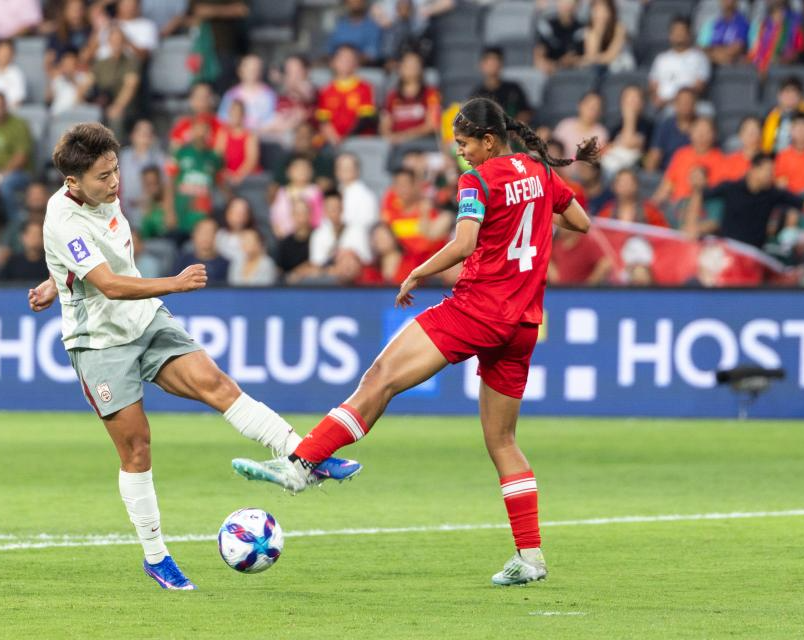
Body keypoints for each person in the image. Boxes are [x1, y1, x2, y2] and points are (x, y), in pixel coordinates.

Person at [231, 97, 598, 587]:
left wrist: (417, 272)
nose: (460, 152)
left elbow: (464, 244)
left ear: (489, 141)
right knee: (503, 441)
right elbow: (581, 223)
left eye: (465, 143)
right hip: (523, 323)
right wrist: (530, 218)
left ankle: (302, 464)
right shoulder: (540, 172)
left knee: (381, 378)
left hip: (477, 309)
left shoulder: (478, 180)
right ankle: (530, 557)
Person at [25, 122, 359, 591]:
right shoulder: (63, 218)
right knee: (137, 447)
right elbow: (110, 284)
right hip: (100, 343)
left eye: (116, 169)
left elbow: (93, 260)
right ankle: (156, 557)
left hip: (144, 320)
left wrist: (55, 280)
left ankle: (305, 456)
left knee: (218, 385)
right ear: (72, 182)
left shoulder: (103, 194)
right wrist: (175, 283)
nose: (115, 181)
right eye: (103, 176)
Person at [684, 152, 804, 249]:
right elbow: (699, 195)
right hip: (730, 250)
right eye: (767, 170)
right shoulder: (730, 187)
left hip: (755, 253)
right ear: (753, 170)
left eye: (772, 171)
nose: (771, 175)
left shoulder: (772, 193)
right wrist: (692, 224)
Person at [0, 92, 33, 223]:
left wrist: (2, 174)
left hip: (19, 172)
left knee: (6, 184)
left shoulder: (19, 125)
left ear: (6, 106)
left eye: (1, 106)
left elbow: (22, 157)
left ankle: (14, 224)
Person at [165, 119, 223, 237]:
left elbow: (221, 185)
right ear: (191, 131)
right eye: (198, 129)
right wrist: (169, 212)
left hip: (203, 217)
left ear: (209, 133)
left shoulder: (214, 158)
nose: (201, 133)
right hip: (181, 214)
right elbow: (169, 184)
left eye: (204, 130)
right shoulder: (180, 153)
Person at [316, 45, 378, 145]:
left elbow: (365, 119)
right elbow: (323, 120)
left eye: (349, 59)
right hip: (332, 141)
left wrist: (346, 139)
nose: (345, 62)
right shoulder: (325, 90)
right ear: (333, 62)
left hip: (359, 140)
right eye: (342, 58)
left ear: (356, 63)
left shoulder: (365, 88)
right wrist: (334, 138)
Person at [90, 25, 142, 140]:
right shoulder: (101, 63)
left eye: (119, 40)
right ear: (108, 42)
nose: (116, 43)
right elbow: (88, 82)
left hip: (125, 106)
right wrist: (77, 100)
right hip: (102, 103)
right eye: (113, 40)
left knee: (116, 117)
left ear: (124, 42)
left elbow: (130, 86)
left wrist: (118, 106)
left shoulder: (132, 62)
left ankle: (115, 150)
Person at [380, 50, 440, 146]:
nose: (411, 68)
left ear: (421, 68)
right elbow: (385, 126)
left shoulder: (431, 94)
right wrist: (391, 137)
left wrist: (405, 137)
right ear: (400, 68)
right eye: (407, 65)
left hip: (423, 143)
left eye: (414, 65)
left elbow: (432, 125)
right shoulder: (392, 96)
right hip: (396, 145)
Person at [649, 15, 711, 108]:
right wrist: (657, 99)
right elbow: (653, 84)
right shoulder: (661, 59)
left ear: (689, 34)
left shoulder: (699, 58)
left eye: (681, 30)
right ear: (670, 35)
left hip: (689, 106)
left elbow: (699, 86)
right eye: (675, 31)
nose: (678, 34)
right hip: (662, 107)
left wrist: (676, 100)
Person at [118, 119, 167, 224]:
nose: (145, 135)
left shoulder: (160, 159)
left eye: (149, 133)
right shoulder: (123, 156)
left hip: (151, 213)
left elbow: (165, 187)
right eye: (141, 132)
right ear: (132, 135)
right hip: (123, 211)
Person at [471, 47, 532, 124]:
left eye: (496, 61)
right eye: (489, 62)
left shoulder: (514, 89)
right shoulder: (476, 95)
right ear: (482, 65)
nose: (493, 65)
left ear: (501, 63)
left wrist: (513, 126)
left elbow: (526, 113)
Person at [600, 84, 651, 176]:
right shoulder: (615, 126)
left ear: (642, 103)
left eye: (635, 98)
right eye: (628, 98)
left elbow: (629, 143)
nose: (631, 102)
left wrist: (630, 118)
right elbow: (607, 148)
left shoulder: (647, 126)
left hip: (633, 169)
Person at [218, 54, 277, 132]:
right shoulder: (231, 95)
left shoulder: (269, 95)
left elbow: (273, 122)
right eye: (249, 68)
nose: (252, 72)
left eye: (255, 68)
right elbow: (222, 120)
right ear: (240, 71)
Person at [644, 87, 696, 173]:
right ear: (675, 104)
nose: (685, 105)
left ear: (694, 104)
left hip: (692, 173)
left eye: (688, 102)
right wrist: (649, 172)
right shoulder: (665, 125)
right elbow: (655, 153)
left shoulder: (701, 126)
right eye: (682, 102)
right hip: (667, 173)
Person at [270, 156, 324, 239]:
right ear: (288, 171)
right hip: (285, 237)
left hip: (310, 237)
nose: (301, 172)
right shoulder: (282, 192)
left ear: (311, 171)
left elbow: (319, 216)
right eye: (297, 168)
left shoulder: (315, 191)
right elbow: (275, 216)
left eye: (304, 168)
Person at [748, 0, 802, 77]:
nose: (779, 16)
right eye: (776, 14)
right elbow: (756, 52)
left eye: (782, 13)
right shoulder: (762, 28)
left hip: (784, 70)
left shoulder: (792, 27)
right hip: (762, 69)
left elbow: (797, 52)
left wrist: (782, 59)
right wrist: (763, 64)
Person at [761, 76, 804, 154]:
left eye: (794, 93)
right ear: (779, 95)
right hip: (772, 156)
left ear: (801, 97)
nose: (790, 96)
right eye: (787, 92)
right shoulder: (769, 116)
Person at [599, 168, 668, 227]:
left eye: (629, 182)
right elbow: (599, 233)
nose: (625, 185)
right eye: (621, 182)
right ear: (614, 187)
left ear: (636, 185)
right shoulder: (607, 211)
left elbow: (663, 233)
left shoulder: (649, 210)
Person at [553, 92, 609, 163]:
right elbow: (553, 150)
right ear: (579, 105)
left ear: (600, 112)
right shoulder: (565, 125)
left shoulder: (601, 133)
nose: (591, 110)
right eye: (588, 105)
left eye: (596, 107)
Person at [172, 216, 229, 285]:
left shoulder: (225, 264)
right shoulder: (182, 261)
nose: (206, 236)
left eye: (210, 232)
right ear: (194, 235)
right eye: (202, 232)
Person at [579, 0, 632, 74]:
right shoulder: (589, 31)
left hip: (622, 69)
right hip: (599, 71)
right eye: (596, 10)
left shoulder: (619, 28)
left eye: (603, 10)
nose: (600, 15)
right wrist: (597, 33)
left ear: (611, 12)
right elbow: (591, 55)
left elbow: (611, 56)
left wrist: (589, 59)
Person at [169, 82, 225, 150]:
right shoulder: (181, 126)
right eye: (198, 97)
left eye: (206, 97)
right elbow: (174, 151)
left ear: (212, 99)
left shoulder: (220, 127)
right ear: (191, 100)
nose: (202, 101)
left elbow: (220, 152)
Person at [216, 99, 260, 186]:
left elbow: (251, 160)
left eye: (238, 113)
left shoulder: (250, 136)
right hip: (226, 174)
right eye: (233, 113)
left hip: (246, 176)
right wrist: (225, 172)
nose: (235, 116)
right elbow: (218, 155)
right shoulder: (223, 133)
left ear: (243, 115)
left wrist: (238, 175)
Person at [534, 0, 583, 74]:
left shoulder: (582, 29)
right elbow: (539, 54)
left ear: (577, 5)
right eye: (563, 2)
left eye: (570, 3)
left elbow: (584, 57)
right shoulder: (547, 25)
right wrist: (545, 63)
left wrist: (572, 61)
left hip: (575, 73)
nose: (566, 6)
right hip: (549, 73)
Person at [328, 0, 383, 65]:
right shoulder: (340, 24)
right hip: (337, 66)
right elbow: (329, 50)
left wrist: (349, 60)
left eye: (357, 2)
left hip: (362, 67)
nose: (354, 5)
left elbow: (372, 54)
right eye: (351, 2)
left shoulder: (372, 26)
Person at [697, 0, 749, 66]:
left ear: (736, 2)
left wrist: (713, 53)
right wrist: (715, 56)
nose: (727, 2)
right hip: (711, 63)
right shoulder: (713, 24)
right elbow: (701, 47)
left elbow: (737, 48)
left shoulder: (743, 24)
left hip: (732, 64)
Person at [275, 197, 314, 277]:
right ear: (292, 215)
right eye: (297, 213)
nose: (301, 217)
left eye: (304, 212)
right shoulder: (285, 243)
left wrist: (298, 273)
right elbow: (279, 271)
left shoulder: (318, 237)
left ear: (310, 214)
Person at [48, 48, 93, 115]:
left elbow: (80, 99)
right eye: (65, 64)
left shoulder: (84, 78)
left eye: (70, 64)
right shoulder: (58, 79)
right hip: (56, 113)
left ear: (76, 65)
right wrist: (52, 76)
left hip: (73, 114)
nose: (67, 67)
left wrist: (72, 79)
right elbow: (48, 98)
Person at [721, 115, 763, 182]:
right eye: (748, 131)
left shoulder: (768, 161)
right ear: (740, 135)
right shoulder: (729, 162)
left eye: (755, 130)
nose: (751, 134)